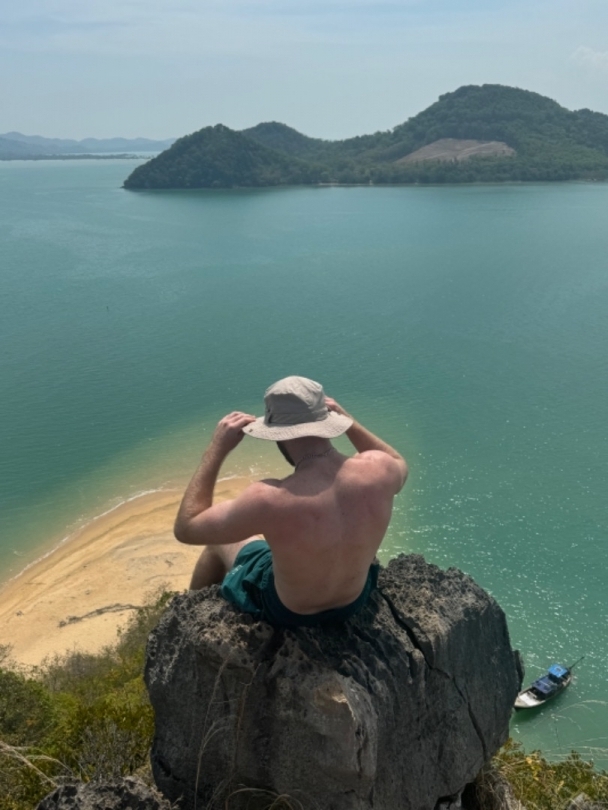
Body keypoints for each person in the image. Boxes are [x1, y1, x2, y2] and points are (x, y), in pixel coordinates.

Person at [174, 376, 407, 628]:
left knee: (217, 542)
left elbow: (187, 527)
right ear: (330, 419)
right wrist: (348, 422)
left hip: (289, 612)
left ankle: (189, 618)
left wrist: (216, 449)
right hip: (354, 601)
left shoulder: (268, 499)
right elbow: (398, 461)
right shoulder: (381, 469)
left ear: (277, 434)